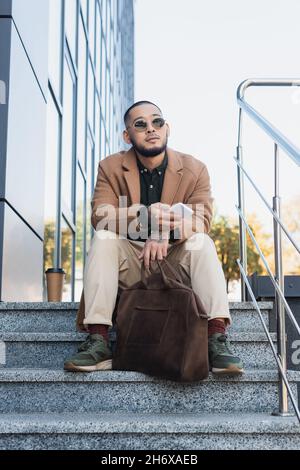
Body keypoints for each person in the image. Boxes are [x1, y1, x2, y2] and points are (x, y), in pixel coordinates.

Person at [64, 100, 244, 375]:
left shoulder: (195, 169)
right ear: (128, 135)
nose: (151, 129)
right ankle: (98, 341)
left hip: (175, 263)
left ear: (167, 128)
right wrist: (147, 215)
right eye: (140, 124)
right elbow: (101, 215)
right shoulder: (110, 168)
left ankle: (215, 338)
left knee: (202, 242)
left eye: (157, 122)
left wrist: (165, 232)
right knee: (103, 238)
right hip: (132, 262)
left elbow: (201, 220)